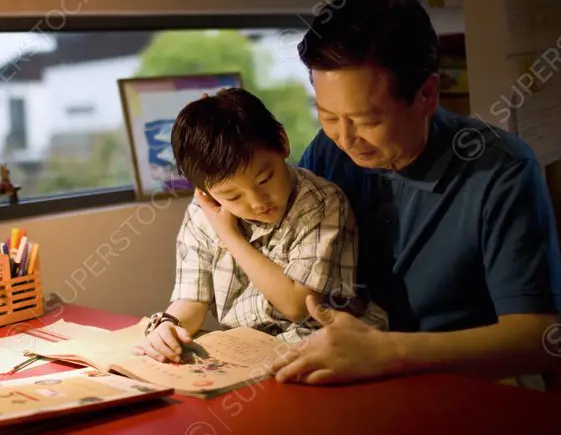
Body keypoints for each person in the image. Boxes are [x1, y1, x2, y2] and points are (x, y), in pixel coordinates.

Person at [260, 0, 561, 386]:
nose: (346, 138)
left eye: (366, 120)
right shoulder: (328, 152)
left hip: (464, 385)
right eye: (327, 116)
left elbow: (539, 339)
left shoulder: (501, 170)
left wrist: (388, 353)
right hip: (348, 378)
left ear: (426, 94)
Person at [134, 88, 387, 364]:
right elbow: (192, 301)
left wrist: (230, 236)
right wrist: (169, 325)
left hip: (328, 346)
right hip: (249, 352)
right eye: (233, 196)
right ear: (205, 192)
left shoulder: (320, 203)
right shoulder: (203, 213)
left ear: (282, 142)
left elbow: (296, 306)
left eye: (265, 179)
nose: (257, 202)